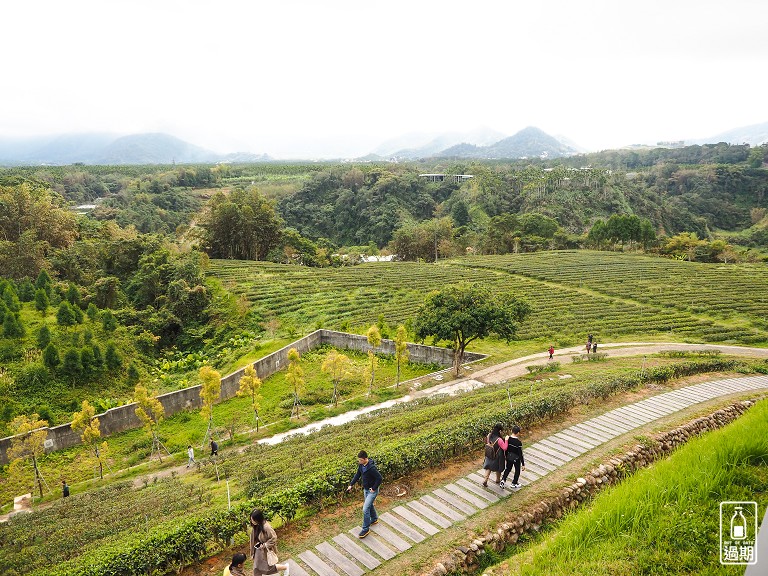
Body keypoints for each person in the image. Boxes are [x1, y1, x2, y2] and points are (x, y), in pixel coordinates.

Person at [346, 450, 383, 538]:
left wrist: (374, 488)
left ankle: (365, 529)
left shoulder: (372, 468)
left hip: (372, 491)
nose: (359, 462)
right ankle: (374, 519)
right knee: (369, 505)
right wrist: (351, 485)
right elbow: (357, 475)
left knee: (365, 509)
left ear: (365, 459)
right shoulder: (361, 465)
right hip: (366, 489)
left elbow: (379, 478)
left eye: (360, 460)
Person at [249, 508, 290, 575]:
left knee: (268, 569)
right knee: (256, 568)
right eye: (251, 519)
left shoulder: (266, 527)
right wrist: (252, 552)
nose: (252, 521)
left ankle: (285, 567)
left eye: (253, 519)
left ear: (258, 519)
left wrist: (265, 545)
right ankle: (285, 567)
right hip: (258, 550)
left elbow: (274, 538)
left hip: (265, 551)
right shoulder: (256, 526)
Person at [499, 425, 525, 489]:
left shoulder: (508, 439)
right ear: (518, 433)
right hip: (516, 458)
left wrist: (506, 456)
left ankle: (503, 480)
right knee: (517, 470)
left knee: (508, 469)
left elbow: (506, 448)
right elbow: (520, 453)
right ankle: (514, 483)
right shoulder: (518, 442)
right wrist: (523, 464)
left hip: (509, 456)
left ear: (512, 431)